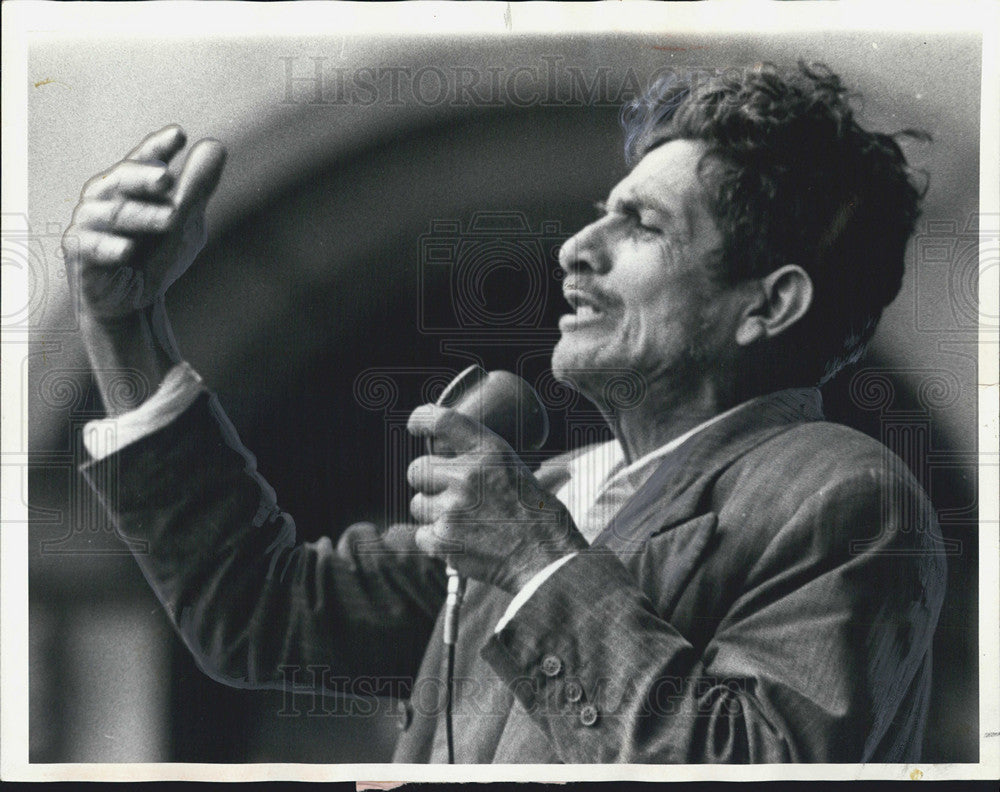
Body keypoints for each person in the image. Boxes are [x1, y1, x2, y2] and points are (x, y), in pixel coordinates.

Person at [65, 62, 946, 763]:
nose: (576, 247)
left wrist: (532, 556)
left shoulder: (847, 494)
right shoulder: (560, 487)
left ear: (769, 305)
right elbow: (260, 611)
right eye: (601, 213)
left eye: (640, 224)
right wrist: (123, 322)